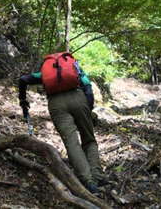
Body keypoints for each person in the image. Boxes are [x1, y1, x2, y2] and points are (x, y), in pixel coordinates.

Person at [18, 52, 106, 194]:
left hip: (56, 104)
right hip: (78, 98)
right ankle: (97, 176)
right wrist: (88, 109)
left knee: (72, 143)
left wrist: (22, 100)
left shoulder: (45, 74)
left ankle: (88, 182)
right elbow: (88, 87)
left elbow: (23, 79)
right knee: (89, 140)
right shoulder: (75, 68)